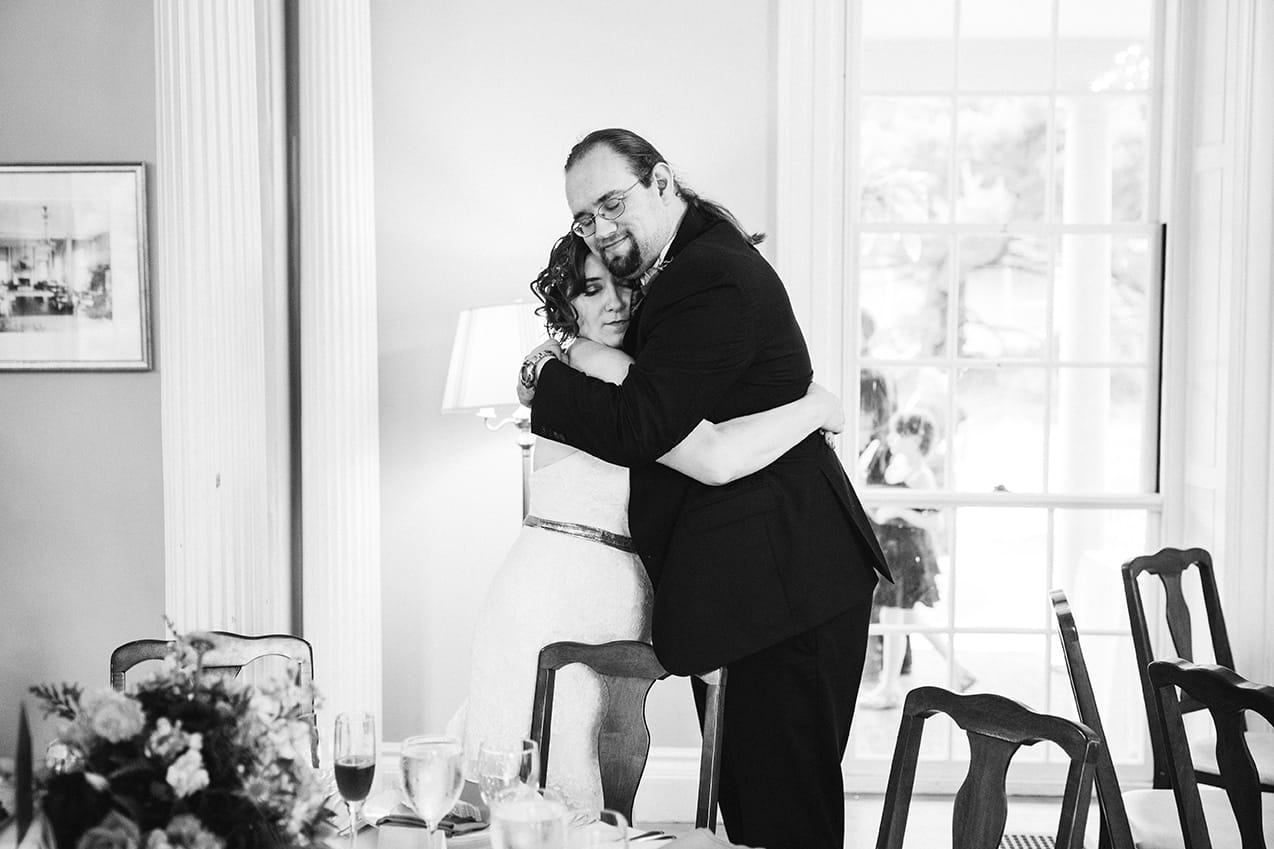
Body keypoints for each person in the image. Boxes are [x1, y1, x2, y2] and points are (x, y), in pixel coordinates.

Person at [517, 129, 890, 849]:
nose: (600, 226)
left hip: (787, 590)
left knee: (785, 818)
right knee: (756, 813)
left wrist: (549, 374)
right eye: (584, 218)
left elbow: (646, 425)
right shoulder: (687, 266)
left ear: (661, 181)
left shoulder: (707, 275)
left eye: (612, 203)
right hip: (758, 591)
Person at [455, 232, 848, 811]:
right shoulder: (599, 370)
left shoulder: (606, 368)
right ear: (566, 304)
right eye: (591, 290)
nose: (614, 303)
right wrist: (816, 407)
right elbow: (714, 453)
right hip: (553, 594)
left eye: (624, 286)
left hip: (616, 595)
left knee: (578, 779)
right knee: (535, 781)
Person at [857, 409, 974, 710]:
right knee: (907, 618)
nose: (893, 438)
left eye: (900, 433)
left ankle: (888, 688)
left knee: (893, 618)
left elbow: (936, 522)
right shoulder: (894, 464)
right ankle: (958, 670)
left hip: (906, 554)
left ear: (916, 438)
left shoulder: (922, 476)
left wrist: (900, 512)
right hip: (890, 550)